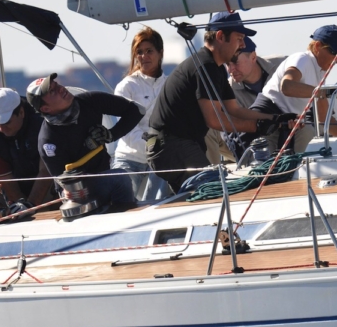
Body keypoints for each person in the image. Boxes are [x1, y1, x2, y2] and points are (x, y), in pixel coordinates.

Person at [146, 12, 295, 192]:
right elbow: (214, 121)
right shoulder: (205, 65)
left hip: (175, 146)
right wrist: (257, 126)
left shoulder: (215, 68)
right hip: (172, 146)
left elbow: (234, 109)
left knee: (202, 197)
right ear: (220, 36)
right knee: (217, 191)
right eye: (239, 38)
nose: (242, 44)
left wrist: (275, 118)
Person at [28, 73, 142, 211]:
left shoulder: (90, 101)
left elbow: (137, 110)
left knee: (118, 179)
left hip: (105, 177)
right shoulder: (48, 141)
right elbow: (62, 183)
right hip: (78, 194)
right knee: (120, 178)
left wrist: (111, 135)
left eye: (56, 85)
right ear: (46, 109)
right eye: (52, 91)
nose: (60, 88)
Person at [252, 24, 337, 153]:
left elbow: (323, 119)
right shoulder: (302, 59)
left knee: (306, 134)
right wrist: (323, 92)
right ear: (317, 46)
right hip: (266, 122)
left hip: (286, 124)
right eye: (335, 53)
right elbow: (287, 86)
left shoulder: (320, 73)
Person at [112, 27, 172, 200]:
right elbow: (126, 130)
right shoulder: (126, 86)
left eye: (149, 51)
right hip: (129, 157)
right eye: (139, 52)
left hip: (160, 158)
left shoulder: (170, 85)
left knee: (158, 204)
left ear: (160, 53)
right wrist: (153, 146)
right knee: (121, 203)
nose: (144, 56)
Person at [0, 87, 54, 216]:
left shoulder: (43, 122)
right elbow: (5, 179)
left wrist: (30, 206)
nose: (1, 128)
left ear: (21, 112)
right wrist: (20, 205)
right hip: (13, 190)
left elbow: (46, 171)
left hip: (49, 183)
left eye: (6, 122)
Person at [218, 36, 285, 160]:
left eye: (235, 62)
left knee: (307, 131)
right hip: (257, 137)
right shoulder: (228, 91)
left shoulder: (283, 65)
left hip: (295, 127)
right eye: (227, 63)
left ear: (253, 57)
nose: (230, 69)